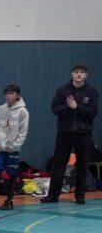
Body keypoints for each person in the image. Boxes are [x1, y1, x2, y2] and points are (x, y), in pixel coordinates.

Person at [42, 63, 99, 204]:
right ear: (72, 74)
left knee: (82, 165)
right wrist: (68, 107)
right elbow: (55, 109)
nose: (79, 74)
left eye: (81, 72)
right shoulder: (62, 90)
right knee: (58, 165)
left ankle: (80, 195)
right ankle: (53, 195)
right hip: (65, 133)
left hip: (84, 134)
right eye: (76, 72)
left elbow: (92, 113)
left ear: (86, 75)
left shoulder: (92, 92)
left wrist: (77, 107)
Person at [0, 84, 30, 211]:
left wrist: (15, 146)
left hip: (12, 150)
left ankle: (9, 200)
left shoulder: (23, 112)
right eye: (7, 93)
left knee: (12, 174)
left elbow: (23, 131)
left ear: (17, 95)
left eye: (11, 93)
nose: (8, 96)